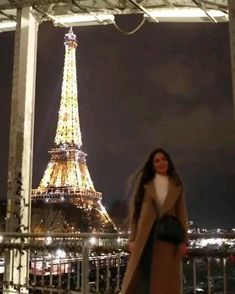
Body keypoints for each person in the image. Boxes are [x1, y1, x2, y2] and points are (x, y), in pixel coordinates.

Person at [121, 148, 189, 294]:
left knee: (163, 283)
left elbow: (182, 214)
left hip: (166, 240)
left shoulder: (177, 186)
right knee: (143, 280)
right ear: (152, 165)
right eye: (157, 161)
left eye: (164, 159)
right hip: (145, 239)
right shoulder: (145, 185)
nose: (161, 163)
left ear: (169, 162)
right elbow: (135, 214)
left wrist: (184, 241)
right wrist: (132, 238)